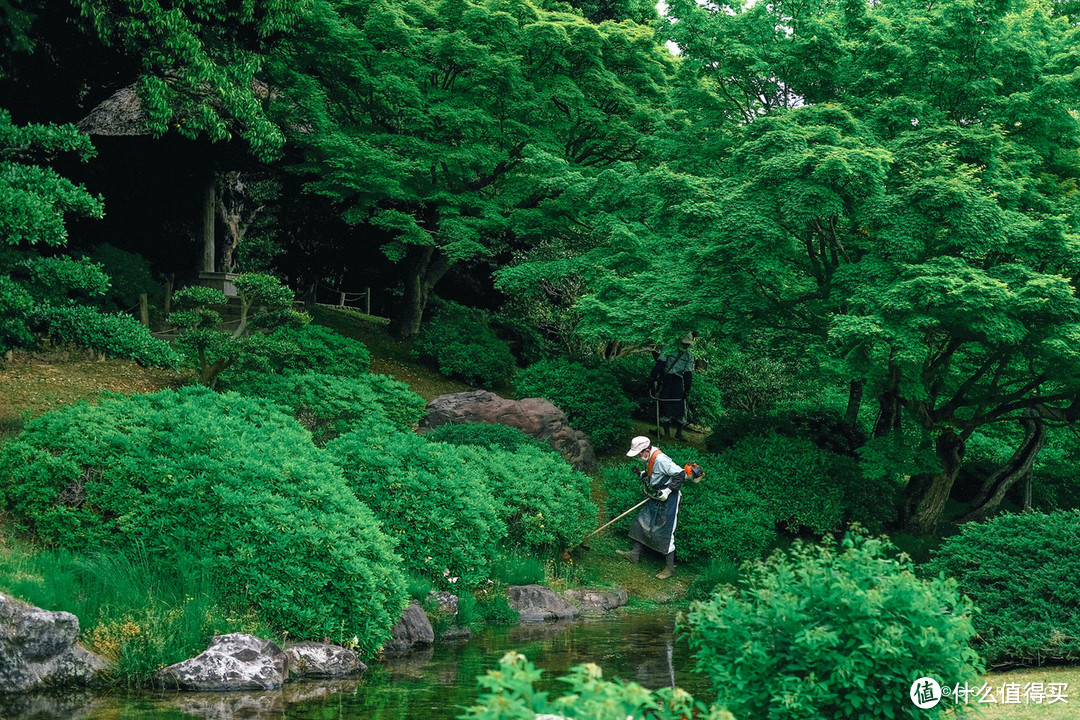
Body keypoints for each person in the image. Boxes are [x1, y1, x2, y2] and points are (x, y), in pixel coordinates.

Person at [616, 435, 703, 579]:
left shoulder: (661, 459)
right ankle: (634, 555)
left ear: (646, 451)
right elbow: (657, 474)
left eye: (638, 454)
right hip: (657, 495)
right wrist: (644, 474)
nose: (638, 457)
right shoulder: (650, 458)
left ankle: (669, 568)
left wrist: (668, 491)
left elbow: (680, 474)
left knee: (665, 531)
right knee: (641, 521)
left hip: (669, 499)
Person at [649, 333, 695, 440]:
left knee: (681, 407)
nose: (686, 346)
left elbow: (688, 374)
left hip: (678, 381)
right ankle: (666, 432)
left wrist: (687, 389)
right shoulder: (668, 349)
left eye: (688, 344)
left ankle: (679, 433)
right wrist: (653, 378)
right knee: (665, 404)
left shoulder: (689, 356)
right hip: (666, 379)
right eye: (684, 344)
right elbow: (659, 365)